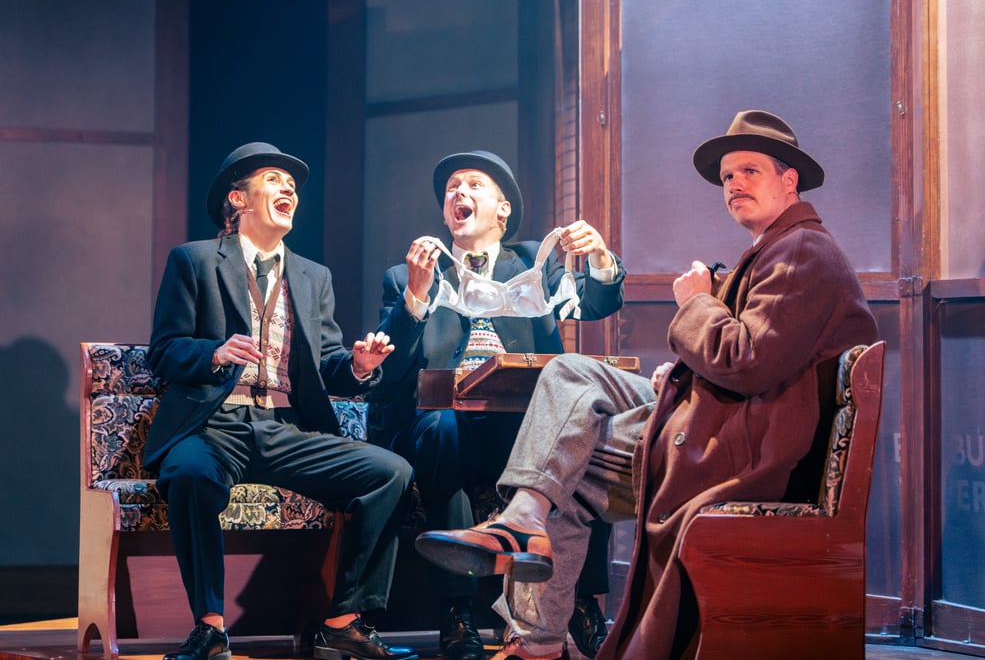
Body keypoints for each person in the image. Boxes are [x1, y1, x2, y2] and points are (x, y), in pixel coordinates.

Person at [414, 110, 880, 660]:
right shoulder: (780, 247)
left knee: (566, 465)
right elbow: (756, 356)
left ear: (789, 179)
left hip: (743, 447)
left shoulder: (801, 249)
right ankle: (525, 525)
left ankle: (535, 630)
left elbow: (746, 361)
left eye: (750, 171)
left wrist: (696, 303)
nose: (734, 185)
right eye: (728, 176)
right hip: (725, 418)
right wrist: (686, 369)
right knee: (569, 373)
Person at [144, 142, 419, 660]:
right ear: (238, 199)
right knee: (190, 473)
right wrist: (214, 353)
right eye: (273, 179)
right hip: (214, 424)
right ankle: (210, 627)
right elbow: (164, 351)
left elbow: (327, 363)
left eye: (292, 185)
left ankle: (342, 623)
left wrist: (359, 366)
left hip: (286, 427)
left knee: (392, 472)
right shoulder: (194, 260)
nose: (288, 188)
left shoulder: (314, 277)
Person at [367, 150, 626, 660]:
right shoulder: (408, 274)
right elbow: (391, 373)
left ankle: (582, 604)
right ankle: (458, 609)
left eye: (473, 185)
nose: (458, 194)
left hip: (525, 428)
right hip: (447, 430)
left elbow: (597, 302)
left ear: (502, 210)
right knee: (441, 427)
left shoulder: (532, 262)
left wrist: (598, 257)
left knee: (584, 435)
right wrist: (416, 297)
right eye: (452, 188)